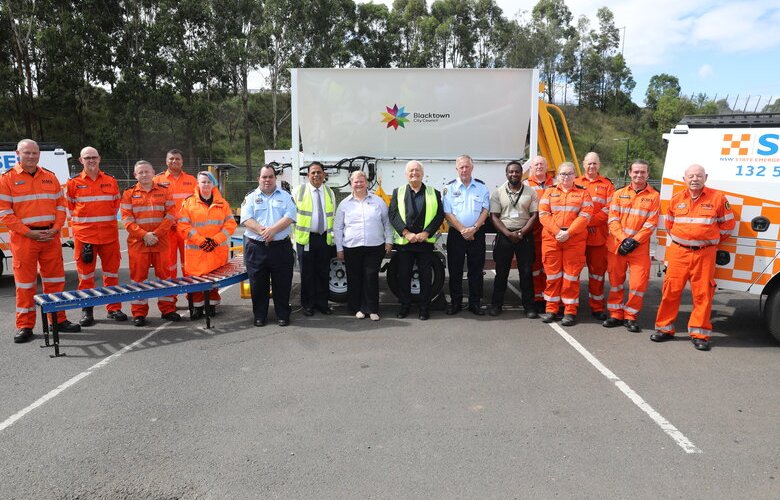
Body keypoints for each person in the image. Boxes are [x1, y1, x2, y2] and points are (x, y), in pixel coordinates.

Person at [0, 139, 80, 343]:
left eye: (35, 153)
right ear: (18, 153)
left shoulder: (50, 177)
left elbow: (61, 207)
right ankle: (25, 326)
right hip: (24, 239)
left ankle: (58, 319)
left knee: (55, 281)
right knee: (25, 285)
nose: (31, 156)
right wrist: (28, 232)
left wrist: (55, 229)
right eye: (27, 153)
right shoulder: (7, 179)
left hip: (50, 237)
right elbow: (4, 212)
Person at [652, 164, 735, 351]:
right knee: (670, 291)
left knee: (703, 294)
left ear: (706, 177)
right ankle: (664, 329)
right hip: (679, 252)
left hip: (705, 254)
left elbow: (728, 226)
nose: (694, 179)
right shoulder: (675, 199)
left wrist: (708, 240)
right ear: (684, 179)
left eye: (698, 175)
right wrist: (687, 239)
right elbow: (669, 225)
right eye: (691, 176)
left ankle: (700, 333)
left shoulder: (718, 198)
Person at [65, 146, 127, 326]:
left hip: (109, 237)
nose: (91, 160)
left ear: (99, 158)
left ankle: (114, 308)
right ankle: (87, 311)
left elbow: (116, 207)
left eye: (94, 157)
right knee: (85, 277)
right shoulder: (73, 184)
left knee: (111, 274)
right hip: (85, 239)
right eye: (87, 158)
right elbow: (69, 209)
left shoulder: (110, 181)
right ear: (80, 160)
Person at [120, 161, 180, 326]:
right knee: (138, 280)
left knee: (165, 277)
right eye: (141, 172)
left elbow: (170, 215)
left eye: (147, 171)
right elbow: (126, 219)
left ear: (153, 172)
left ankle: (168, 309)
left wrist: (156, 234)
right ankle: (139, 313)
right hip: (138, 244)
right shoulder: (128, 194)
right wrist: (144, 235)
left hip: (160, 242)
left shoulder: (164, 191)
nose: (144, 175)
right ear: (135, 175)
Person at [603, 160, 659, 333]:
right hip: (617, 246)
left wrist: (634, 241)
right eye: (636, 172)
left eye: (642, 172)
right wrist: (623, 239)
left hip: (639, 249)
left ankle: (630, 316)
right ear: (629, 173)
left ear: (648, 174)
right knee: (615, 282)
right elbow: (612, 219)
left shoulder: (654, 196)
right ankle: (615, 314)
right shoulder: (619, 194)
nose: (639, 175)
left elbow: (651, 223)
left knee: (638, 284)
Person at [538, 162, 594, 326]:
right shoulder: (549, 192)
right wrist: (558, 232)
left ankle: (570, 311)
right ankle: (551, 309)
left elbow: (585, 216)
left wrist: (568, 233)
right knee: (552, 276)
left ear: (575, 176)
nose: (565, 177)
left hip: (574, 239)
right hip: (552, 239)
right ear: (557, 176)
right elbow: (543, 215)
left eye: (569, 174)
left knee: (571, 277)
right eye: (562, 174)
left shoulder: (583, 194)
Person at [388, 160, 445, 320]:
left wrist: (426, 233)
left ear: (422, 174)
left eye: (417, 171)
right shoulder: (397, 192)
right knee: (404, 275)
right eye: (411, 171)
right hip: (405, 244)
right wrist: (406, 233)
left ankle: (424, 307)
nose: (414, 173)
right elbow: (393, 214)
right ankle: (404, 306)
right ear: (406, 174)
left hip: (424, 243)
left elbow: (439, 215)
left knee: (425, 277)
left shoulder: (434, 192)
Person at [241, 165, 297, 327]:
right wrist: (262, 231)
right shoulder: (250, 197)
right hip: (256, 247)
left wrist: (273, 230)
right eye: (264, 177)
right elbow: (246, 218)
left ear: (275, 178)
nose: (267, 180)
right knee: (258, 284)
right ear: (259, 178)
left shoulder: (286, 196)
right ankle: (259, 316)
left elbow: (290, 216)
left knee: (283, 283)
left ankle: (283, 315)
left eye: (270, 177)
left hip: (280, 247)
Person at [334, 170, 393, 321]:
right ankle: (358, 308)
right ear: (351, 184)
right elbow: (338, 227)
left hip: (375, 246)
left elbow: (386, 223)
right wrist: (339, 248)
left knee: (371, 276)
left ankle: (372, 309)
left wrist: (389, 240)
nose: (359, 184)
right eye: (356, 182)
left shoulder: (378, 201)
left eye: (362, 181)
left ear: (366, 183)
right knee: (355, 278)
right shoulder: (344, 204)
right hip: (352, 246)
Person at [177, 171, 237, 320]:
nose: (206, 185)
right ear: (197, 184)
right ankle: (197, 308)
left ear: (213, 184)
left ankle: (211, 306)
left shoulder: (223, 204)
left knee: (214, 281)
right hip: (196, 252)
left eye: (208, 182)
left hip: (216, 251)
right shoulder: (188, 203)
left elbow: (230, 225)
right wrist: (201, 241)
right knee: (197, 281)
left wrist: (215, 240)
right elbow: (183, 225)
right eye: (203, 182)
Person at [489, 160, 539, 318]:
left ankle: (529, 307)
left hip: (524, 236)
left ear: (521, 173)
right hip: (505, 236)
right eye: (511, 172)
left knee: (526, 272)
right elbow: (494, 216)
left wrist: (522, 232)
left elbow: (534, 215)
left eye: (517, 171)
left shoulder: (531, 192)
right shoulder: (498, 192)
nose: (514, 174)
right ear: (506, 174)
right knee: (501, 272)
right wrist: (508, 233)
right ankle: (496, 305)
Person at [442, 154, 490, 315]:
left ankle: (474, 303)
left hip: (477, 234)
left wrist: (474, 228)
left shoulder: (481, 187)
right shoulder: (449, 188)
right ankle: (455, 303)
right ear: (457, 169)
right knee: (455, 270)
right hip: (457, 234)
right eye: (461, 167)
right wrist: (463, 230)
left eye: (467, 166)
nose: (464, 169)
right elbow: (447, 213)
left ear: (472, 168)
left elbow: (485, 210)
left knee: (476, 270)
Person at [153, 149, 197, 307]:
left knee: (190, 267)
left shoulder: (192, 180)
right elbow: (153, 206)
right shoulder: (157, 180)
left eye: (177, 159)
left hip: (186, 231)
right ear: (166, 161)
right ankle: (168, 304)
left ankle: (194, 300)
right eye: (171, 159)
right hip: (167, 232)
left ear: (182, 161)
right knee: (168, 268)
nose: (174, 161)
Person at [575, 152, 615, 321]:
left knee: (597, 274)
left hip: (598, 238)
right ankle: (570, 305)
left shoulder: (607, 185)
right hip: (576, 237)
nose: (592, 166)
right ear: (583, 164)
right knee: (572, 272)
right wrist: (584, 223)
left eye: (595, 164)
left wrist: (589, 223)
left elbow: (609, 208)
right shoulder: (575, 182)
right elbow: (570, 207)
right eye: (589, 163)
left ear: (599, 165)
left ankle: (597, 307)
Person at [293, 161, 336, 316]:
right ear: (308, 175)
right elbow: (291, 216)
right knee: (307, 273)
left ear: (324, 175)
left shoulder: (330, 192)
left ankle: (322, 304)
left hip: (324, 238)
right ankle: (308, 305)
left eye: (319, 172)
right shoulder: (299, 191)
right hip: (306, 239)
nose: (316, 175)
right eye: (313, 172)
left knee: (323, 272)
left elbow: (332, 215)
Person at [524, 155, 555, 313]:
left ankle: (548, 298)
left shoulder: (556, 183)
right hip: (534, 233)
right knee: (535, 268)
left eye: (542, 164)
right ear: (531, 168)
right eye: (536, 165)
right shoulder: (525, 185)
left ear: (547, 166)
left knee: (549, 269)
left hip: (552, 234)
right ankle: (537, 298)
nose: (539, 167)